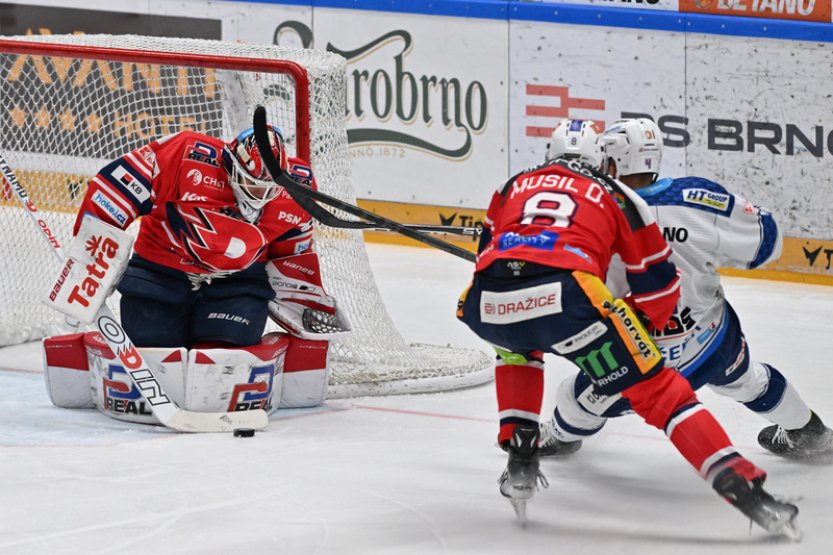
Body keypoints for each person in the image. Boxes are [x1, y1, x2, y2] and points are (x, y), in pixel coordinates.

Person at [456, 118, 800, 537]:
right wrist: (630, 327)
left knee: (523, 349)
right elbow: (661, 290)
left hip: (487, 303)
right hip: (676, 332)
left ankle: (521, 445)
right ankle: (750, 485)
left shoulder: (513, 185)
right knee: (681, 392)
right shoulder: (623, 196)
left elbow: (486, 256)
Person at [540, 118, 832, 461]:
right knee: (749, 380)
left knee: (574, 398)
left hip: (638, 361)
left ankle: (560, 438)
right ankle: (810, 433)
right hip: (712, 343)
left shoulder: (591, 213)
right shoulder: (696, 198)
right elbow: (768, 243)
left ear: (613, 162)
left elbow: (571, 293)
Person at [71, 124, 347, 348]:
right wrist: (89, 257)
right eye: (251, 183)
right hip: (160, 274)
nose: (260, 194)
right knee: (153, 346)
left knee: (224, 353)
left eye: (269, 187)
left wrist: (302, 297)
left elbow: (291, 253)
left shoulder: (297, 188)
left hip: (237, 285)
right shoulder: (185, 155)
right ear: (230, 166)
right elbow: (114, 189)